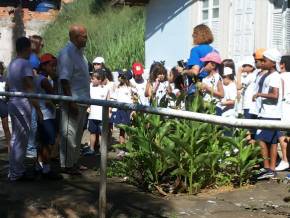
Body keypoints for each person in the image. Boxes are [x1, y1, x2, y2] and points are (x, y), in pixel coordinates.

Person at [7, 37, 43, 181]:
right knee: (20, 139)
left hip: (13, 103)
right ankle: (17, 172)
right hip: (22, 104)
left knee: (17, 138)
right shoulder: (25, 64)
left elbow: (9, 85)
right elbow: (29, 88)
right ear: (27, 48)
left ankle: (16, 170)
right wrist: (38, 110)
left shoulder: (12, 63)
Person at [58, 24, 90, 175]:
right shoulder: (67, 53)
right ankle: (67, 165)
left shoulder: (80, 53)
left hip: (82, 101)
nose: (86, 38)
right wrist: (70, 101)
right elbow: (64, 80)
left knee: (77, 136)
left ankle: (74, 162)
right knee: (69, 134)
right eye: (84, 36)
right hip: (73, 101)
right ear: (76, 37)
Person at [253, 48, 282, 179]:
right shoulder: (267, 75)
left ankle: (267, 167)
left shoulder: (274, 76)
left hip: (270, 114)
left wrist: (259, 94)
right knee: (273, 142)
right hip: (269, 113)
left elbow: (275, 95)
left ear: (273, 62)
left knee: (260, 139)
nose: (262, 62)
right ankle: (271, 169)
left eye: (265, 60)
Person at [34, 53, 62, 180]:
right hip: (46, 115)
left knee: (42, 142)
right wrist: (56, 79)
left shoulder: (38, 78)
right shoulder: (44, 80)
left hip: (42, 114)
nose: (54, 68)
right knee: (48, 143)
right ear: (44, 66)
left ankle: (39, 167)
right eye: (52, 66)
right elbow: (55, 98)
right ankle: (46, 169)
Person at [177, 24, 217, 94]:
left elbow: (195, 72)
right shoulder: (215, 51)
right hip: (212, 88)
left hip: (198, 88)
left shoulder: (196, 50)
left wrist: (183, 71)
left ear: (197, 36)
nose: (192, 36)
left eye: (194, 34)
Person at [26, 35, 44, 158]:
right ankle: (31, 149)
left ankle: (31, 147)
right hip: (33, 95)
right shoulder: (33, 60)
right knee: (33, 122)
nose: (42, 47)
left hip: (33, 94)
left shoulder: (31, 58)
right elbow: (33, 78)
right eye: (42, 45)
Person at [85, 70, 110, 156]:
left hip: (102, 116)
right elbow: (87, 99)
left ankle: (102, 149)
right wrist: (88, 107)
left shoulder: (106, 89)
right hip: (92, 115)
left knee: (102, 133)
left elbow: (108, 101)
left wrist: (109, 112)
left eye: (93, 78)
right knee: (92, 132)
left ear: (99, 80)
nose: (91, 80)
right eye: (91, 78)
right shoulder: (90, 87)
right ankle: (91, 148)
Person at [275, 55, 290, 171]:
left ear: (283, 64)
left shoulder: (280, 77)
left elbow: (280, 94)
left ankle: (285, 160)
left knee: (282, 134)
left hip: (284, 107)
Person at [111, 69, 133, 145]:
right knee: (122, 130)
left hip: (128, 111)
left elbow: (134, 99)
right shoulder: (118, 87)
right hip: (120, 110)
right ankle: (122, 149)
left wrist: (133, 111)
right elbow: (113, 98)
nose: (119, 77)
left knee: (130, 130)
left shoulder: (131, 88)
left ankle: (130, 149)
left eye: (121, 76)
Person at [0, 62, 11, 149]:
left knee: (6, 127)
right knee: (6, 127)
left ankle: (10, 146)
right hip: (3, 103)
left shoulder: (6, 79)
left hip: (3, 104)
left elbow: (8, 93)